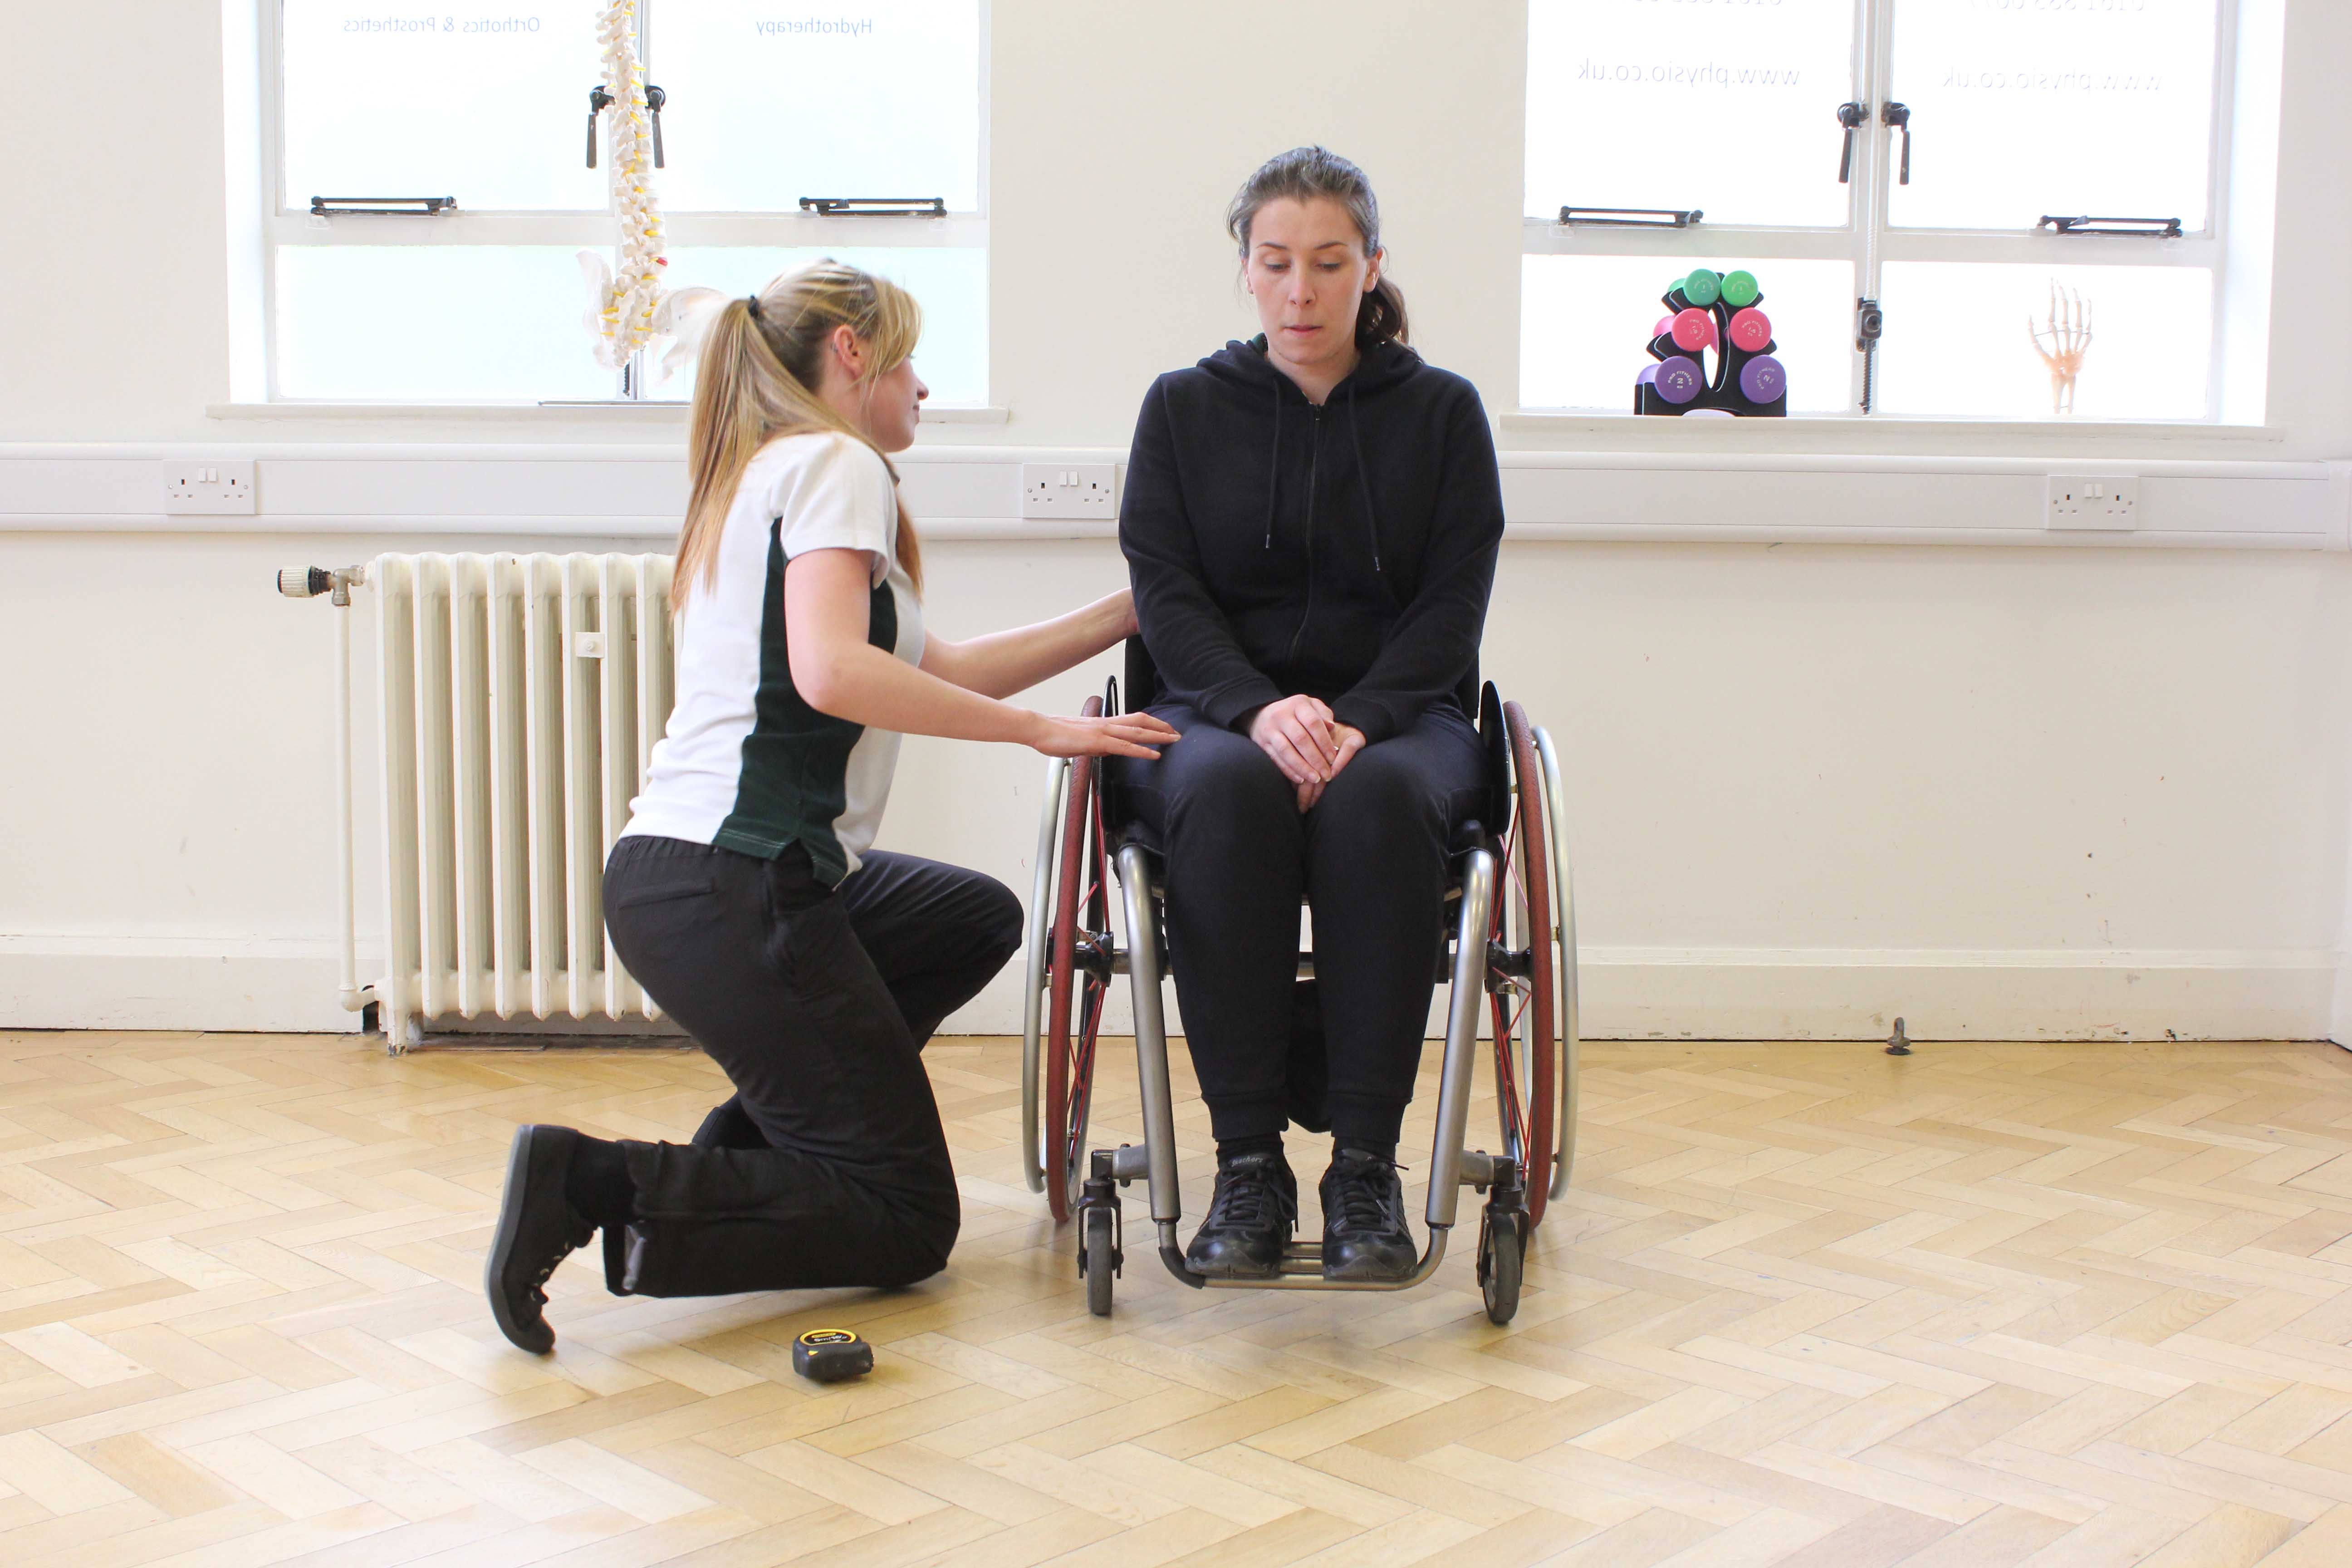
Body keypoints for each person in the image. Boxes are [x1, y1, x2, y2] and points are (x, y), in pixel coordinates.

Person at [485, 261, 1177, 1353]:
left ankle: (745, 1164)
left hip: (693, 875)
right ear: (850, 354)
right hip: (739, 878)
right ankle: (599, 1183)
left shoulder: (768, 471)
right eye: (906, 359)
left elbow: (934, 664)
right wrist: (1048, 735)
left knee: (973, 919)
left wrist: (1127, 613)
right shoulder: (837, 463)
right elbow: (832, 675)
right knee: (908, 1220)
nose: (924, 388)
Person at [1117, 148, 1504, 1283]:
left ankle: (1366, 1168)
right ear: (1245, 271)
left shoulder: (1441, 414)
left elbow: (1452, 606)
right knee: (1226, 790)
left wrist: (1359, 720)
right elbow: (1165, 592)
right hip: (1215, 717)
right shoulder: (1184, 410)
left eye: (1329, 264)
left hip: (1399, 723)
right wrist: (1253, 708)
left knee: (1380, 801)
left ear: (1370, 267)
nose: (1302, 291)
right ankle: (1247, 1166)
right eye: (1277, 264)